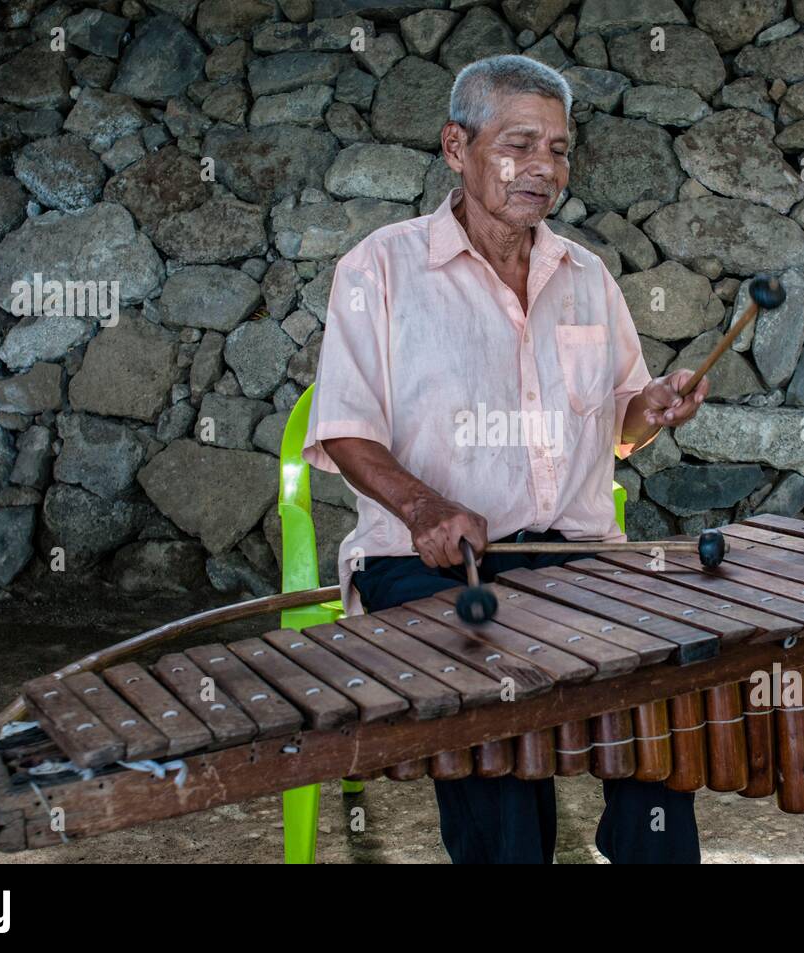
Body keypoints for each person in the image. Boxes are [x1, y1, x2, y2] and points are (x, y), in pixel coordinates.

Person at [304, 54, 709, 863]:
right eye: (518, 143)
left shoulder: (588, 277)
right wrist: (422, 509)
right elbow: (345, 428)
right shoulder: (379, 268)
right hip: (429, 566)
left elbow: (621, 426)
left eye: (558, 149)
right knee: (495, 702)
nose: (543, 168)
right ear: (457, 146)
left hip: (569, 555)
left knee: (665, 683)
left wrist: (650, 408)